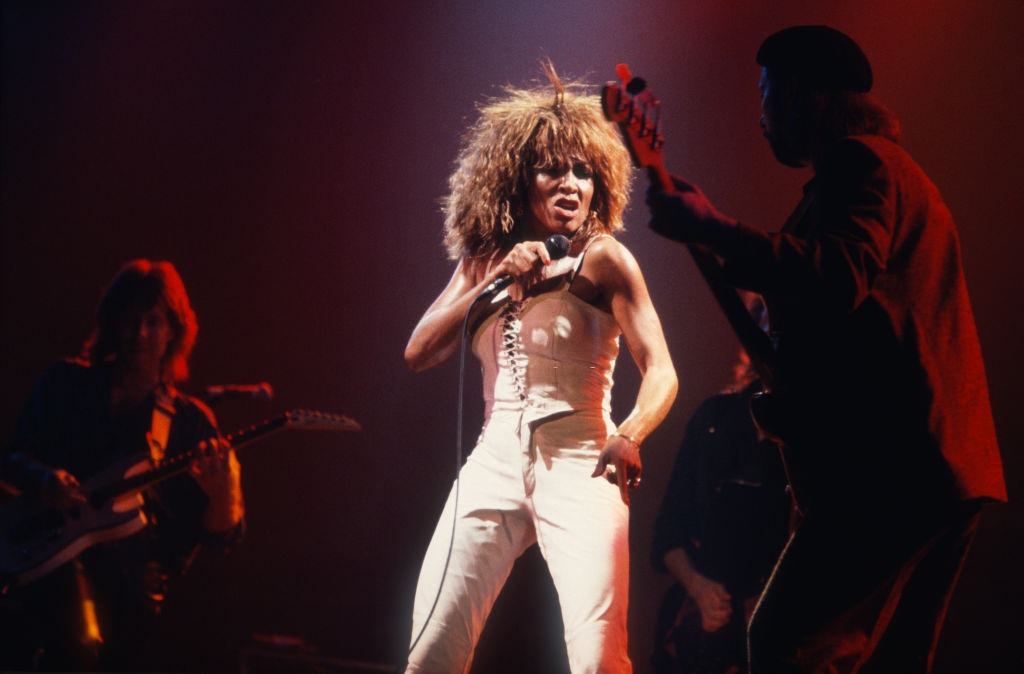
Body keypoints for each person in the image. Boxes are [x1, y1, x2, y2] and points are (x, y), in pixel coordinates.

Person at [646, 25, 1007, 674]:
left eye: (765, 95)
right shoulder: (885, 174)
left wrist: (719, 230)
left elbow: (839, 273)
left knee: (784, 639)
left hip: (893, 469)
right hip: (936, 468)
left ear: (804, 96)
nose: (759, 119)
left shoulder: (861, 163)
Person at [403, 63, 678, 674]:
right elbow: (419, 352)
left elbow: (661, 368)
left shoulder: (605, 258)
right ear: (517, 178)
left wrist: (629, 435)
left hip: (583, 461)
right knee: (431, 653)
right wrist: (496, 276)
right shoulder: (483, 262)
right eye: (554, 167)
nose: (571, 183)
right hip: (493, 460)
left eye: (583, 171)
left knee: (598, 657)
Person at [1, 259, 245, 671]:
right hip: (40, 588)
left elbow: (223, 536)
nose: (140, 334)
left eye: (154, 321)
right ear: (111, 322)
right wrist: (45, 481)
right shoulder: (64, 383)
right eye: (130, 320)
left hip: (133, 615)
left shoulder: (190, 423)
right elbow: (12, 459)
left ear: (174, 331)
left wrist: (226, 490)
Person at [650, 310, 790, 674]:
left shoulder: (813, 434)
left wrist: (770, 603)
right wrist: (699, 588)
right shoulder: (714, 418)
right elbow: (668, 532)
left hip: (772, 628)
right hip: (698, 628)